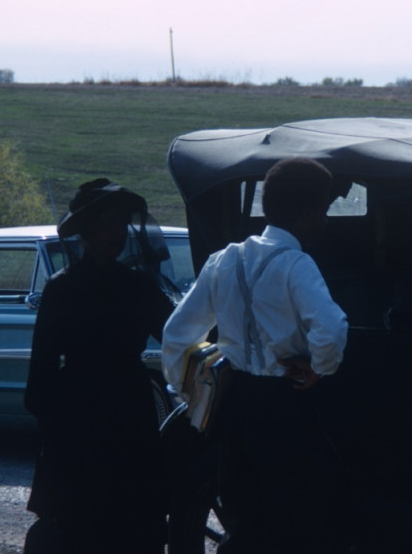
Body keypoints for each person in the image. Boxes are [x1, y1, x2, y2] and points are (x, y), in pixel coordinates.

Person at [162, 157, 350, 554]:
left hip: (234, 405)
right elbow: (331, 330)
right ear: (308, 213)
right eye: (324, 211)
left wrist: (190, 395)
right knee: (293, 518)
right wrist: (319, 368)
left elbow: (177, 334)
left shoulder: (224, 260)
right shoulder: (297, 264)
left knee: (243, 518)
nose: (326, 222)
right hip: (286, 404)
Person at [23, 178, 174, 554]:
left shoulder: (139, 288)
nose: (118, 232)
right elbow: (40, 376)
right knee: (81, 527)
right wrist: (59, 435)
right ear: (87, 232)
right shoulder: (61, 290)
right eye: (109, 223)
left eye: (122, 223)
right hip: (79, 428)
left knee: (134, 525)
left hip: (131, 421)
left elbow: (178, 334)